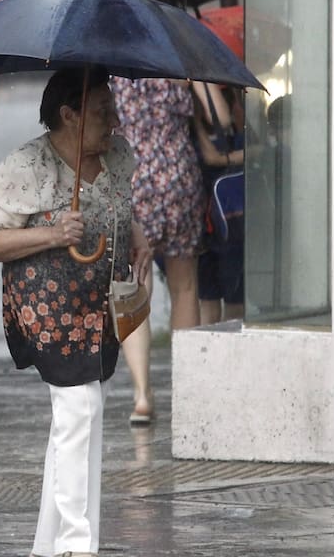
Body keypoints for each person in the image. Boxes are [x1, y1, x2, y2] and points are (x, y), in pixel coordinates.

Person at [0, 68, 152, 557]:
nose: (114, 119)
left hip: (98, 305)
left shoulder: (115, 157)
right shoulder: (29, 165)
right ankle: (78, 544)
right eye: (102, 111)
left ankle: (48, 544)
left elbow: (122, 208)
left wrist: (136, 238)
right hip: (46, 306)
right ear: (69, 115)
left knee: (75, 421)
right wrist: (53, 234)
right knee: (81, 409)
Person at [109, 76, 205, 425]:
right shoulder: (175, 67)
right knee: (184, 286)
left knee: (136, 285)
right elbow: (207, 117)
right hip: (178, 176)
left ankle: (142, 393)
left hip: (131, 179)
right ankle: (187, 387)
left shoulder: (113, 72)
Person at [192, 82, 245, 324]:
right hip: (208, 226)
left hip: (225, 226)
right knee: (211, 298)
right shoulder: (190, 134)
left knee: (229, 299)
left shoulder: (235, 132)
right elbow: (210, 158)